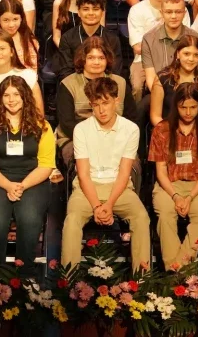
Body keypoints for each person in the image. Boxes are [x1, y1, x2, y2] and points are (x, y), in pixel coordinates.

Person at [61, 77, 151, 272]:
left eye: (106, 103)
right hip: (88, 188)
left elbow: (124, 172)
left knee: (141, 217)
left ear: (116, 101)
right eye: (96, 104)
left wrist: (108, 205)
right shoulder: (81, 129)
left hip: (119, 187)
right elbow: (83, 174)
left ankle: (143, 282)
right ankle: (68, 283)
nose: (101, 110)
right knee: (72, 220)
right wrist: (96, 206)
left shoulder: (130, 129)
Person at [0, 75, 54, 272]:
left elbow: (46, 165)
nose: (11, 99)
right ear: (0, 98)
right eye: (6, 95)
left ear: (25, 96)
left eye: (16, 94)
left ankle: (23, 276)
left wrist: (22, 185)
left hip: (32, 180)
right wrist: (8, 185)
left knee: (30, 217)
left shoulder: (42, 125)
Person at [149, 82, 198, 269]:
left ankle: (178, 269)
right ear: (176, 106)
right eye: (183, 107)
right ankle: (179, 273)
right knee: (165, 215)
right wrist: (175, 196)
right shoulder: (162, 130)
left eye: (193, 107)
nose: (188, 112)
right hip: (169, 185)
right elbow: (161, 171)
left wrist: (189, 197)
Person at [56, 37, 135, 142]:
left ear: (107, 60)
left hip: (115, 138)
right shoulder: (68, 84)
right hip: (77, 138)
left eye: (101, 58)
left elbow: (132, 118)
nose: (96, 62)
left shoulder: (121, 83)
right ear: (83, 59)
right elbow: (67, 124)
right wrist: (94, 139)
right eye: (91, 58)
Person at [128, 0, 191, 100]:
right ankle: (138, 119)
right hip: (143, 61)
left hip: (175, 60)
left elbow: (185, 43)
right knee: (137, 86)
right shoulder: (137, 10)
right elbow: (138, 48)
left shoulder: (181, 10)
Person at [52, 0, 124, 81]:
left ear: (102, 12)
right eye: (85, 9)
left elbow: (115, 70)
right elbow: (65, 72)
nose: (91, 13)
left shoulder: (112, 39)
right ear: (78, 12)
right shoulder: (67, 38)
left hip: (104, 86)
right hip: (76, 86)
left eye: (95, 9)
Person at [149, 34, 198, 126]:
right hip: (168, 131)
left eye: (196, 55)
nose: (191, 59)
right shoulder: (162, 79)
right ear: (178, 54)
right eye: (186, 54)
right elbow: (155, 116)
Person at [139, 0, 198, 97]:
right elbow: (150, 77)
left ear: (184, 13)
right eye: (169, 12)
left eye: (178, 12)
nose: (174, 16)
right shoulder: (148, 39)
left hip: (189, 94)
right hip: (159, 93)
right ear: (161, 13)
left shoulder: (195, 38)